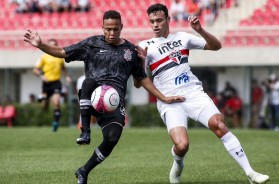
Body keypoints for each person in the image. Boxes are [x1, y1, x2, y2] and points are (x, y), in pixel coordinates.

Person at [24, 10, 184, 184]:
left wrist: (163, 96)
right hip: (91, 97)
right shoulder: (91, 44)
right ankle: (85, 131)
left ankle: (84, 171)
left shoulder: (130, 50)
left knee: (112, 138)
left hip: (114, 104)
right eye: (108, 29)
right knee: (88, 82)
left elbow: (140, 82)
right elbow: (62, 51)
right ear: (102, 27)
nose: (112, 33)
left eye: (115, 29)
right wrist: (40, 45)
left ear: (121, 27)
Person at [136, 3, 269, 184]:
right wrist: (141, 63)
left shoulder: (183, 37)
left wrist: (201, 30)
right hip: (169, 101)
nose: (155, 25)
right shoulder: (145, 46)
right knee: (182, 146)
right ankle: (178, 166)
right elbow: (138, 83)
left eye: (159, 20)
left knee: (219, 125)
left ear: (168, 19)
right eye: (152, 22)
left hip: (193, 92)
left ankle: (251, 174)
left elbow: (216, 46)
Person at [33, 38, 71, 132]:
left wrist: (67, 77)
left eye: (54, 45)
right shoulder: (43, 57)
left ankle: (55, 122)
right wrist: (41, 76)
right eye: (50, 44)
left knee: (56, 103)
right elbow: (35, 70)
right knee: (44, 105)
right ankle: (43, 99)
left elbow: (63, 68)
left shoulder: (60, 57)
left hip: (56, 83)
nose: (52, 46)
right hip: (46, 84)